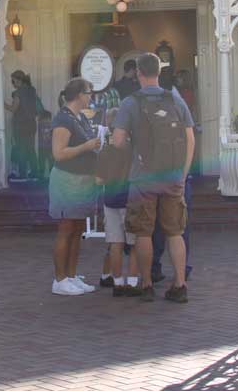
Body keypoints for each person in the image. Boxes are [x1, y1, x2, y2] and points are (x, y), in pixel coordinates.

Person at [113, 52, 195, 304]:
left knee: (143, 233)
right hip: (172, 177)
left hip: (143, 178)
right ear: (159, 72)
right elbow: (190, 139)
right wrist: (182, 173)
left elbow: (117, 142)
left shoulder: (130, 102)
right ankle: (179, 285)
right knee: (175, 232)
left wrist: (132, 149)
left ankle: (147, 285)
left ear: (138, 73)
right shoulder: (175, 99)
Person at [48, 77, 101, 297]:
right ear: (79, 94)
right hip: (68, 180)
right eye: (89, 92)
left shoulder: (81, 117)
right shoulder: (63, 119)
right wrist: (86, 146)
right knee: (67, 228)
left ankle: (71, 275)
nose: (91, 96)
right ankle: (59, 279)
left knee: (78, 228)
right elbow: (58, 153)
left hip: (83, 180)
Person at [96, 108, 139, 297]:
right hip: (130, 199)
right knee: (134, 243)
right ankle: (133, 281)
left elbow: (98, 180)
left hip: (110, 200)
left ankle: (117, 282)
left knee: (115, 243)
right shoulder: (132, 149)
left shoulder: (105, 151)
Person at [5, 70, 39, 181]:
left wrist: (2, 103)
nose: (12, 83)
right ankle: (34, 173)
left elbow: (13, 109)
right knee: (31, 149)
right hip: (32, 124)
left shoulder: (18, 92)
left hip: (21, 126)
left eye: (13, 80)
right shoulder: (32, 90)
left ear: (18, 80)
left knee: (21, 150)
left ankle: (22, 174)